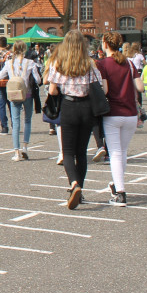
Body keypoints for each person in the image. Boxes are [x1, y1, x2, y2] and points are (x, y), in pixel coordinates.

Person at [46, 30, 101, 209]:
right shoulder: (90, 63)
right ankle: (81, 190)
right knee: (81, 152)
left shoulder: (59, 63)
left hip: (69, 105)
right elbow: (98, 85)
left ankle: (74, 184)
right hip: (86, 107)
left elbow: (53, 90)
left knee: (68, 151)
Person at [97, 32, 141, 207]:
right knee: (122, 152)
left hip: (113, 113)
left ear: (106, 45)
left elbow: (105, 90)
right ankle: (117, 184)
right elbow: (140, 86)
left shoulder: (103, 64)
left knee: (114, 152)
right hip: (130, 113)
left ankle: (120, 193)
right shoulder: (129, 63)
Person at [0, 41, 41, 161]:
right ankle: (25, 147)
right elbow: (38, 79)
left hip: (14, 93)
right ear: (25, 50)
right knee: (27, 120)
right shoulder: (30, 63)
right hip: (27, 93)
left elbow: (0, 76)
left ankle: (16, 152)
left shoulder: (9, 63)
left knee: (15, 122)